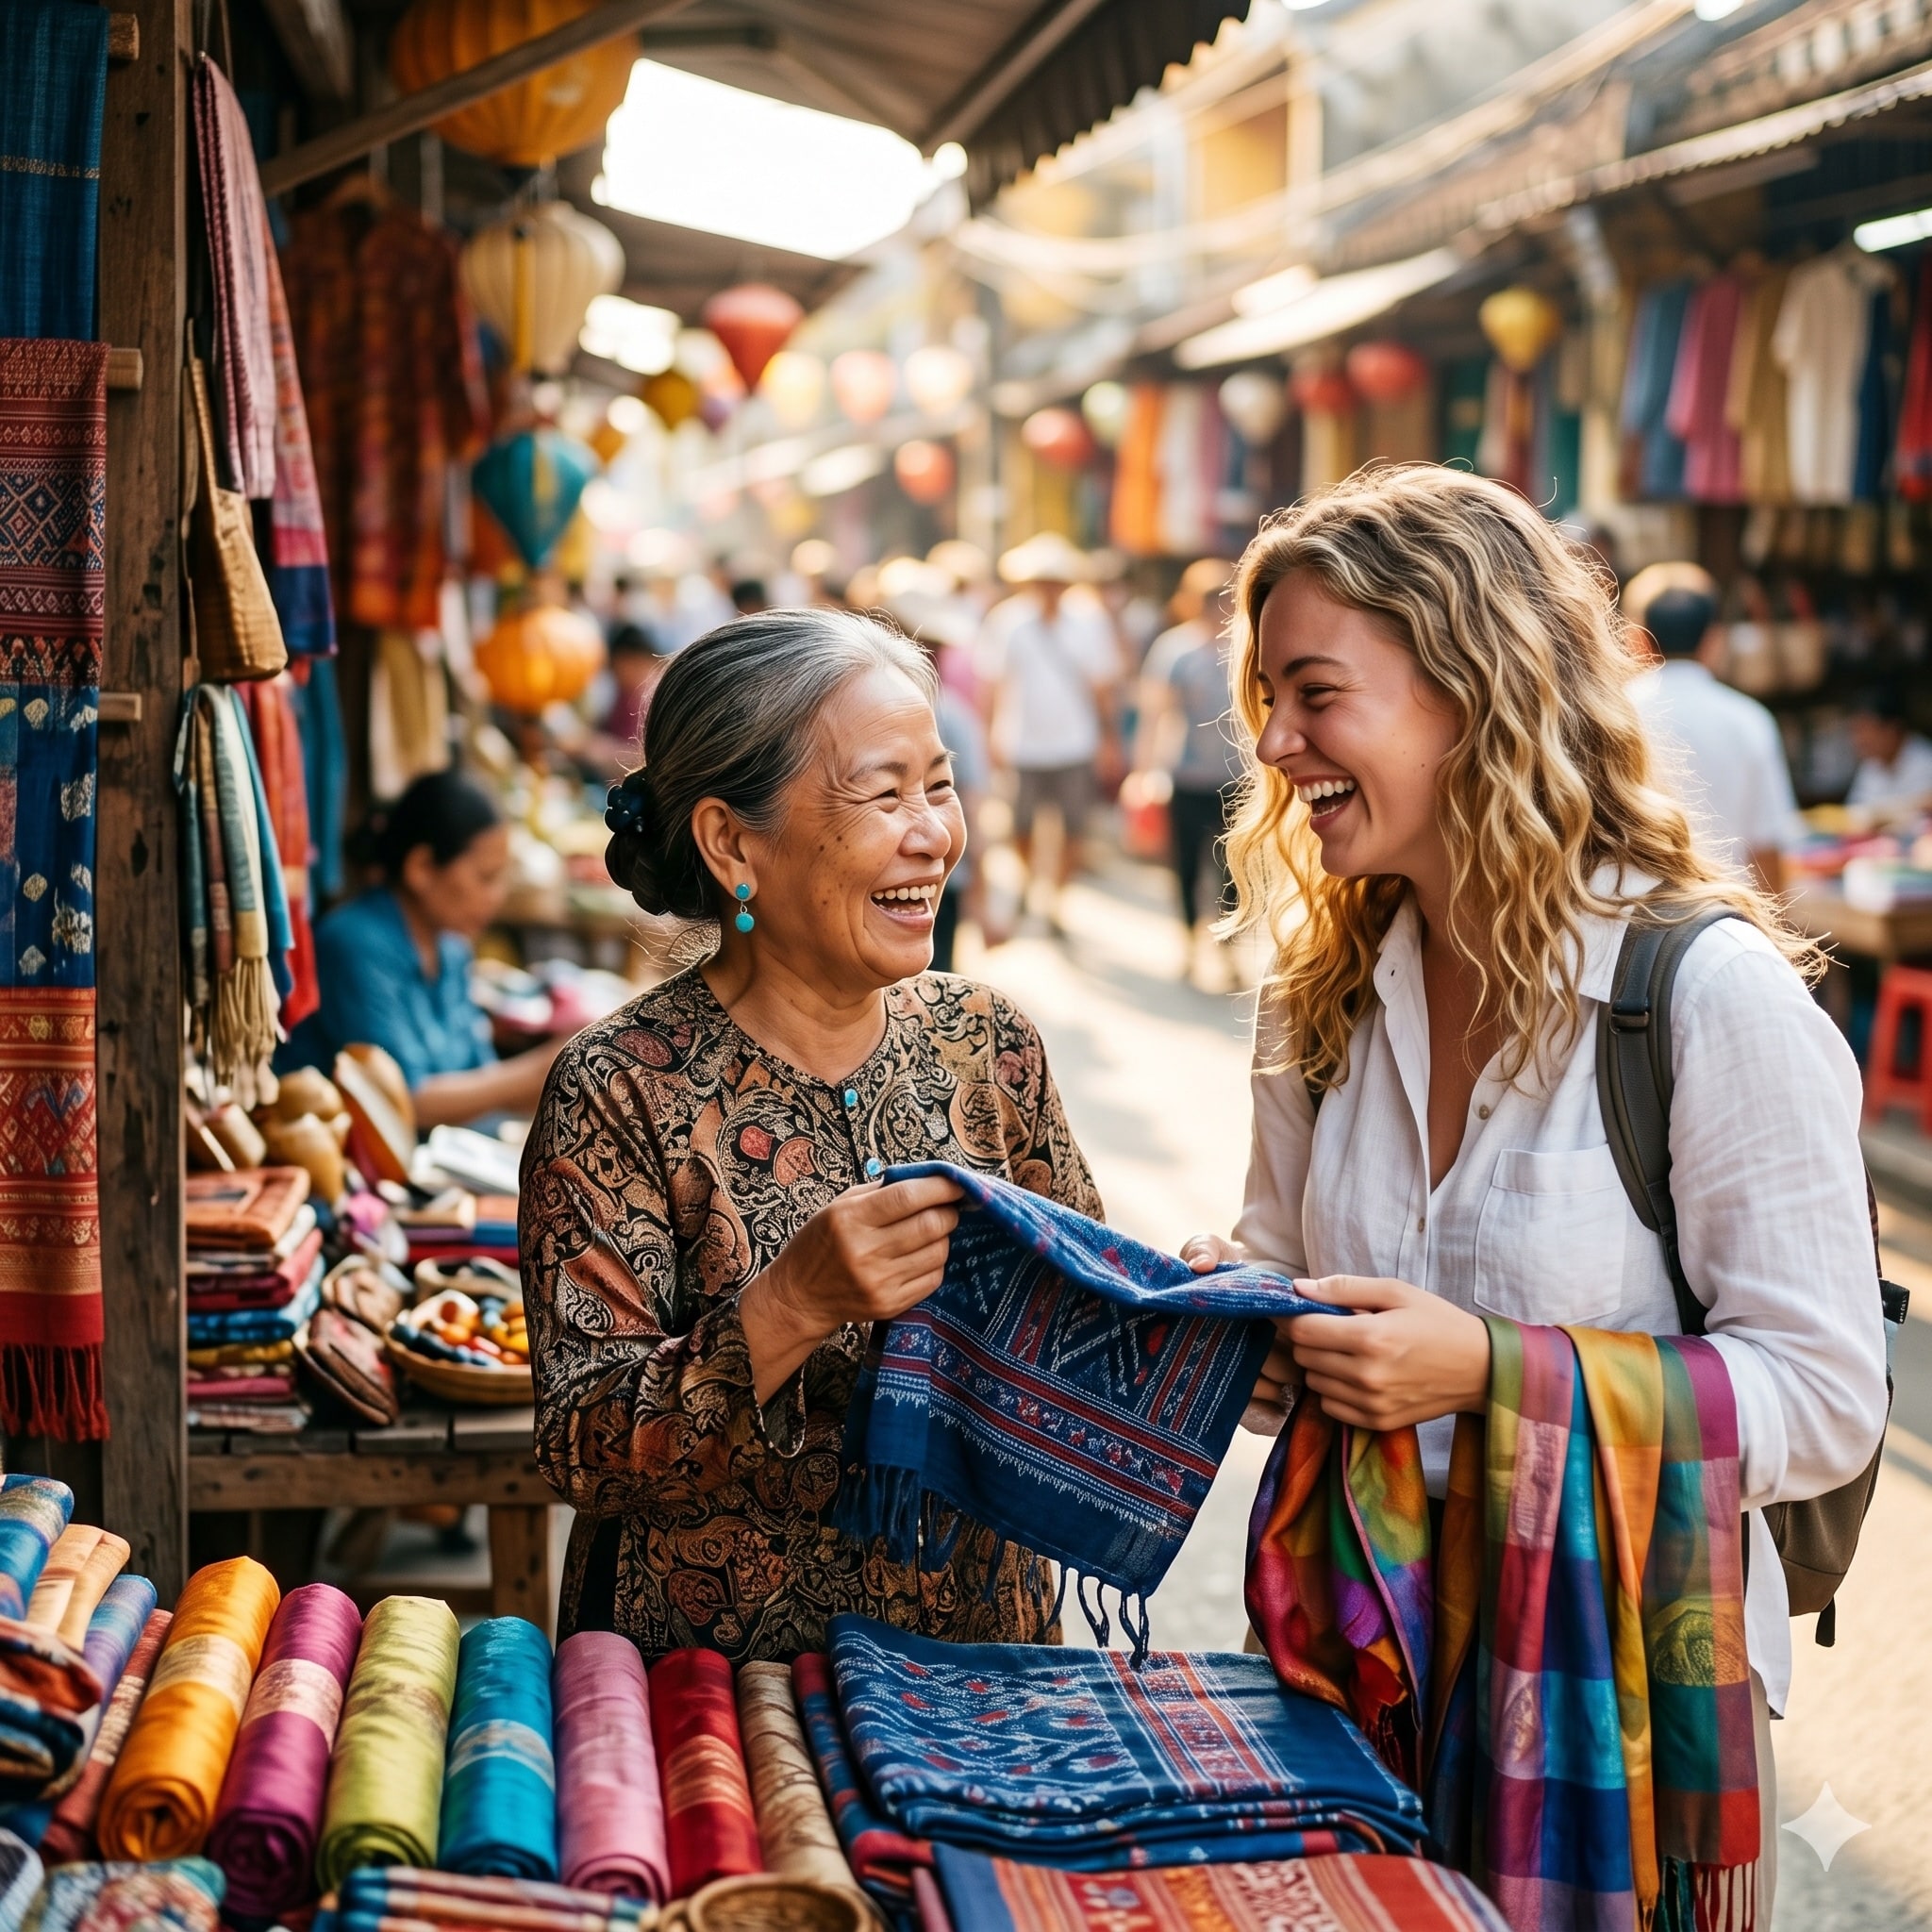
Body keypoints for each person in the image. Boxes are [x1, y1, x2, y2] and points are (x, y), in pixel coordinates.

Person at [1180, 468, 1886, 1912]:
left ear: (1470, 689)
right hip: (1353, 1669)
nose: (1272, 740)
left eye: (1316, 693)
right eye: (1265, 695)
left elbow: (1824, 1398)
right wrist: (1236, 1320)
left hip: (1622, 1712)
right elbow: (1282, 1294)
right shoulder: (1317, 1002)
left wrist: (1487, 1374)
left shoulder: (1700, 995)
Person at [521, 608, 1099, 1660]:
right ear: (733, 841)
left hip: (978, 1670)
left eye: (939, 782)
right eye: (884, 793)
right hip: (717, 1705)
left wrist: (1177, 1303)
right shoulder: (618, 1086)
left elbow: (1079, 1329)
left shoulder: (987, 1041)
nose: (934, 831)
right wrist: (788, 1304)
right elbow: (581, 1449)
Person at [285, 770, 564, 1127]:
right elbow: (403, 1102)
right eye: (485, 877)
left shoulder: (452, 949)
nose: (497, 896)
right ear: (420, 868)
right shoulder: (352, 943)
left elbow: (478, 1072)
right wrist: (543, 1068)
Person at [975, 532, 1121, 931]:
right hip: (1022, 743)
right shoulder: (1008, 622)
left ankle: (1056, 898)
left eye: (1055, 580)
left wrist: (1109, 739)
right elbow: (992, 685)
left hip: (1075, 743)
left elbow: (1103, 687)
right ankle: (1028, 879)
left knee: (1073, 828)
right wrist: (988, 736)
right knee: (1021, 826)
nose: (1049, 589)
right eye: (1042, 580)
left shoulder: (1089, 623)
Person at [1624, 561, 1796, 891]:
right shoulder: (1749, 720)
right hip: (1730, 917)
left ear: (1637, 639)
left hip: (1637, 920)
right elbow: (1767, 848)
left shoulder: (1616, 714)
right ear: (1713, 640)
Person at [1135, 558, 1239, 980]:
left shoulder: (1248, 643)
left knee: (1236, 872)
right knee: (1186, 865)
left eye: (1224, 599)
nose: (1217, 608)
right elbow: (1155, 714)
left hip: (1239, 777)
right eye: (1209, 599)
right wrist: (1145, 771)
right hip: (1186, 774)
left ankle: (1228, 947)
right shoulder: (1174, 650)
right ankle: (1190, 944)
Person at [1845, 684, 1932, 814]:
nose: (1859, 740)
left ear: (1892, 729)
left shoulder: (1925, 762)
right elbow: (1854, 812)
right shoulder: (1871, 765)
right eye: (1856, 731)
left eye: (1866, 729)